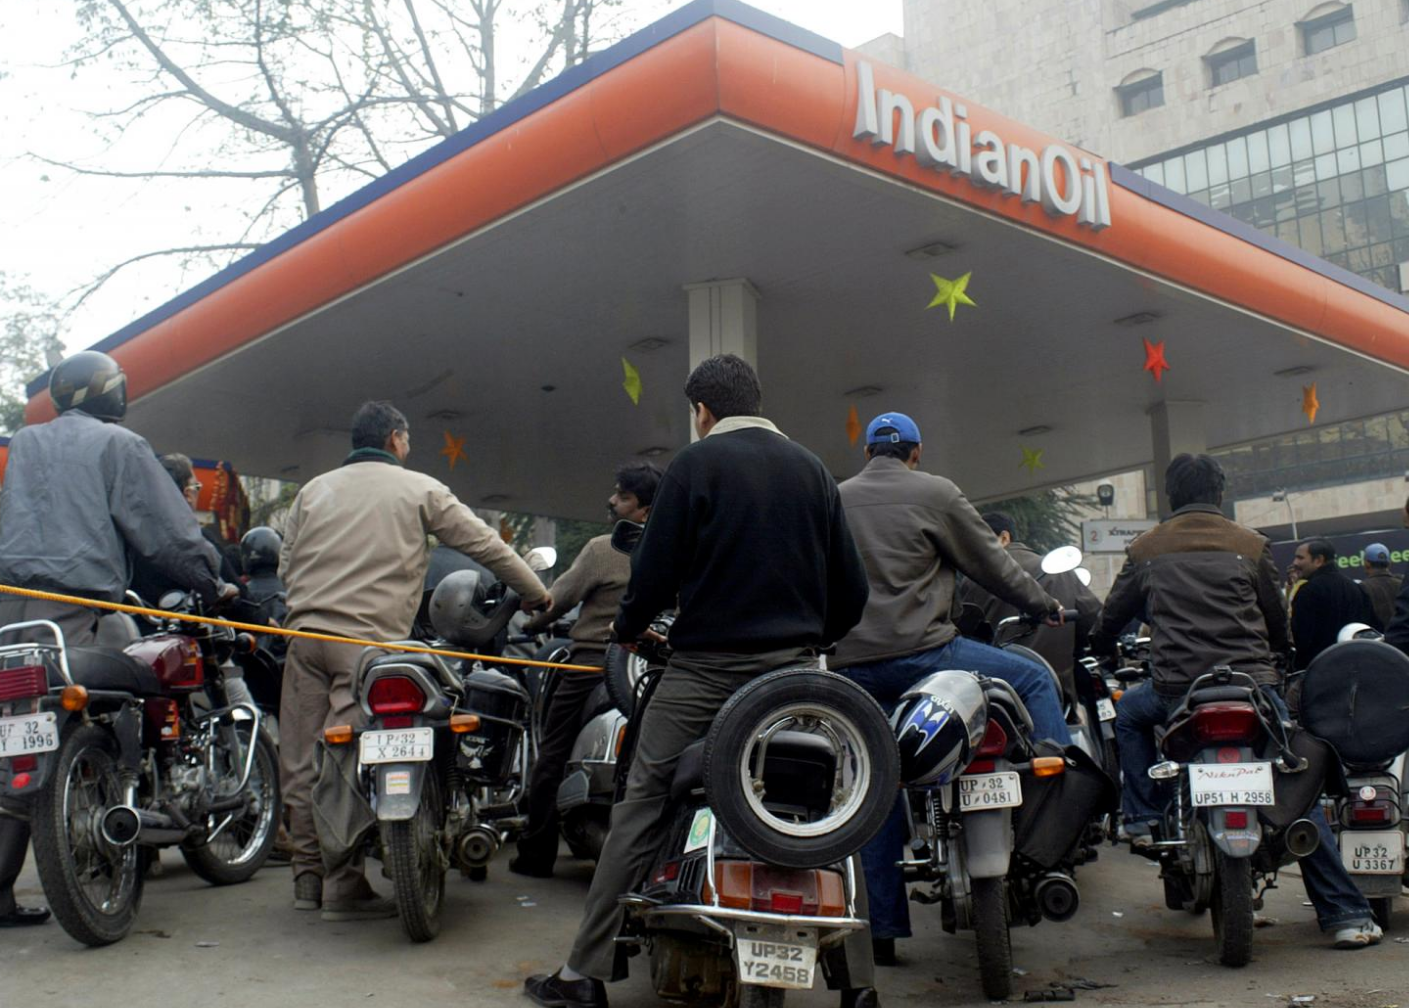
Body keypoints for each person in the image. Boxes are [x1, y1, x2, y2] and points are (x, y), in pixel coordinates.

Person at [524, 354, 873, 1008]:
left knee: (641, 796)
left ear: (702, 411)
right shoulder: (813, 470)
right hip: (793, 677)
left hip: (703, 671)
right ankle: (858, 984)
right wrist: (813, 640)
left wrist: (629, 629)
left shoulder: (694, 465)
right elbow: (852, 590)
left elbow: (652, 575)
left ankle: (583, 974)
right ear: (755, 400)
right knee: (832, 805)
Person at [1091, 453, 1381, 949]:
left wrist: (1099, 643)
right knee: (1295, 784)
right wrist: (1280, 654)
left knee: (1130, 717)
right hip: (1253, 688)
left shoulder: (1145, 549)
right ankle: (1346, 914)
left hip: (1177, 692)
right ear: (1220, 493)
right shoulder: (1251, 544)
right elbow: (1275, 618)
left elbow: (1113, 616)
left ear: (1170, 496)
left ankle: (1140, 817)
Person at [278, 400, 551, 921]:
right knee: (342, 760)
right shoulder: (419, 488)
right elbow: (484, 544)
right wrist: (536, 592)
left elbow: (286, 564)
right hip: (366, 645)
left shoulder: (313, 491)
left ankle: (307, 879)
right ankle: (342, 888)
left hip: (303, 638)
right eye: (407, 440)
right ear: (395, 439)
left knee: (300, 758)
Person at [0, 351, 232, 929]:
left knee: (17, 736)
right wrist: (212, 581)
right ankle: (127, 798)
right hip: (73, 603)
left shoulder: (27, 442)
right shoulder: (120, 445)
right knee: (126, 688)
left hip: (8, 606)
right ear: (112, 393)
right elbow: (165, 531)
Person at [829, 412, 1070, 967]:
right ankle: (1054, 817)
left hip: (855, 668)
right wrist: (1043, 605)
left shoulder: (835, 500)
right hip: (928, 658)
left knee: (878, 784)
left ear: (867, 453)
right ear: (915, 453)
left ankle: (884, 929)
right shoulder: (936, 492)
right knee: (1034, 677)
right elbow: (992, 564)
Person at [510, 461, 662, 878]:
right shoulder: (678, 551)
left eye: (623, 497)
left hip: (591, 668)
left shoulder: (601, 550)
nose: (612, 501)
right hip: (654, 673)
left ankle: (536, 853)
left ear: (645, 510)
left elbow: (555, 601)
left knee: (551, 756)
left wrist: (530, 623)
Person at [959, 510, 1101, 703]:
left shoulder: (974, 578)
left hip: (1001, 692)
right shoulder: (1061, 571)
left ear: (1004, 538)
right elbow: (1091, 614)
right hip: (1060, 686)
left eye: (981, 541)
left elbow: (965, 630)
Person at [130, 453, 246, 603]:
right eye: (197, 487)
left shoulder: (132, 535)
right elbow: (241, 595)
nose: (198, 492)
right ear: (188, 494)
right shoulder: (197, 539)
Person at [1290, 538, 1379, 666]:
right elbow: (1372, 629)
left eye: (1300, 558)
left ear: (1318, 560)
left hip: (1321, 668)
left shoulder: (1308, 592)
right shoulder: (1356, 588)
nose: (1295, 563)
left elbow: (1302, 639)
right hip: (1358, 665)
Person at [1356, 542, 1400, 632]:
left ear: (1367, 563)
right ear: (1389, 563)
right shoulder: (1402, 584)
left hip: (1378, 638)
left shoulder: (1362, 588)